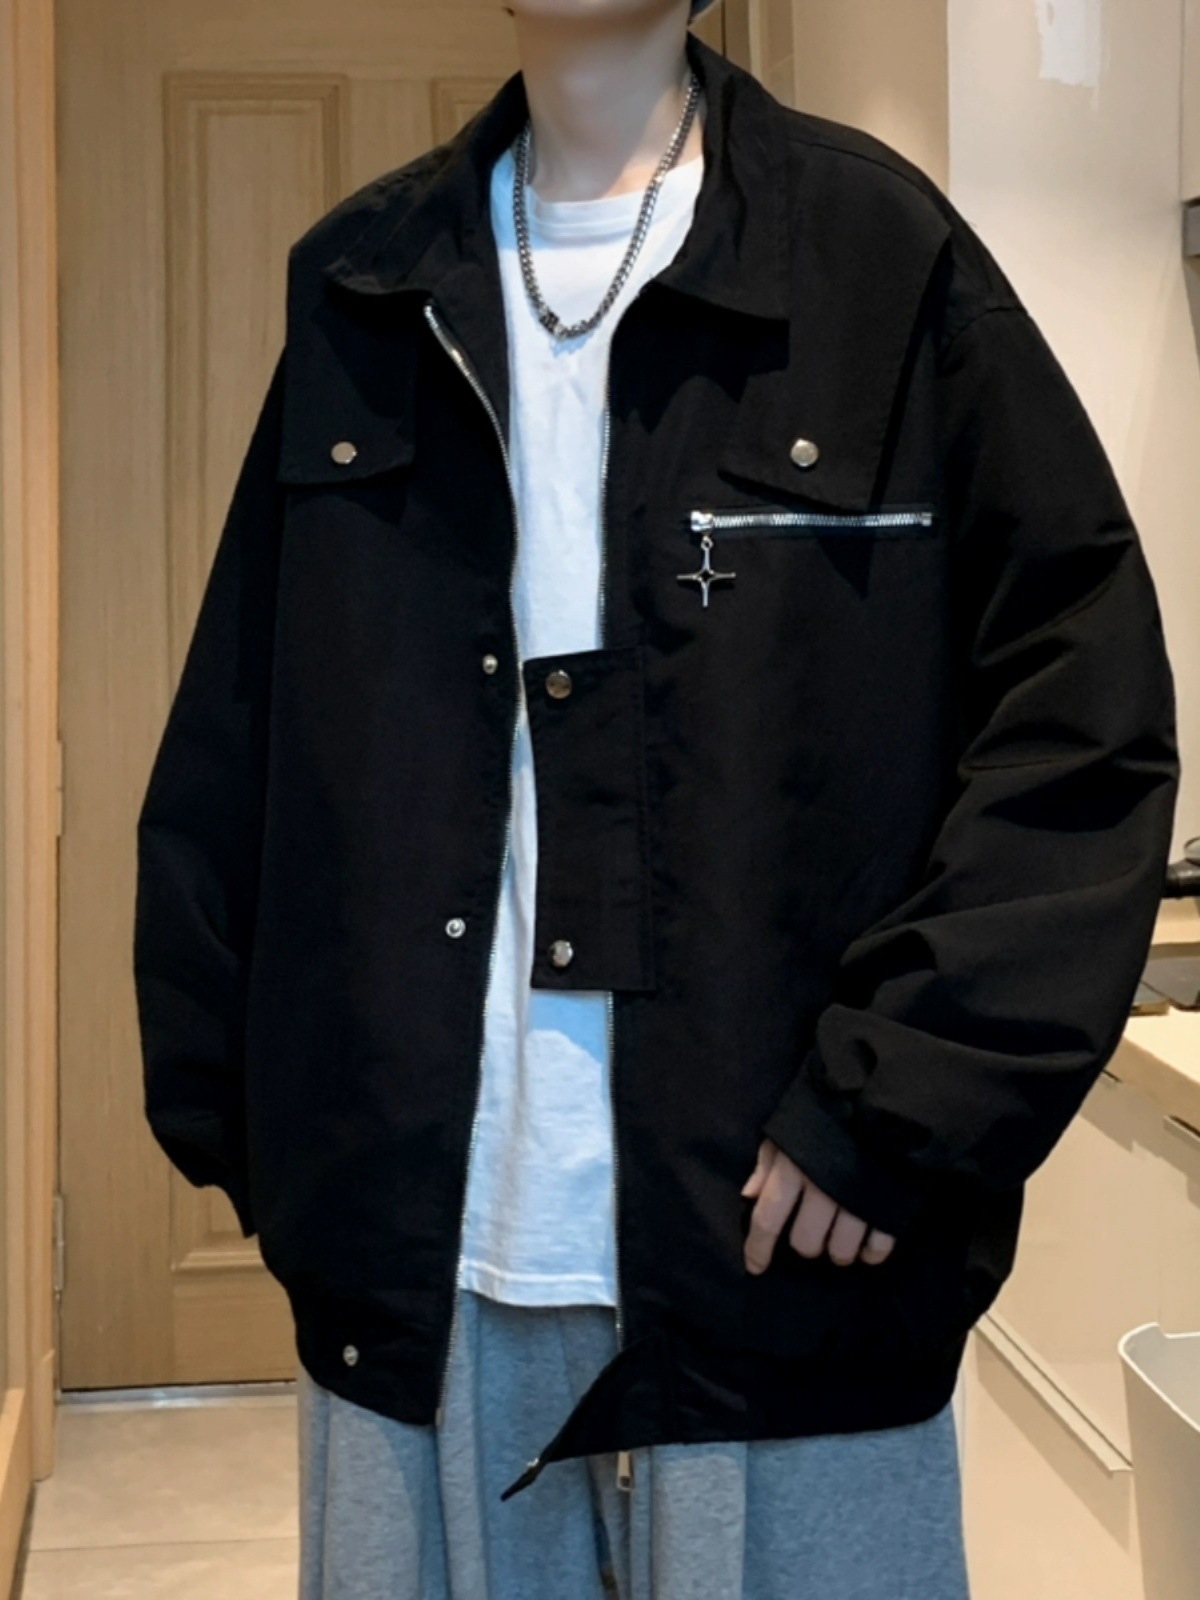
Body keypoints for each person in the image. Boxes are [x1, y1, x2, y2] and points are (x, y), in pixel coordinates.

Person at [132, 2, 1180, 1597]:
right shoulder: (366, 279)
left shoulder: (874, 255)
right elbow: (243, 738)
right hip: (424, 1266)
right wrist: (283, 1144)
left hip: (779, 1264)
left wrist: (901, 1104)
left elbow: (1080, 720)